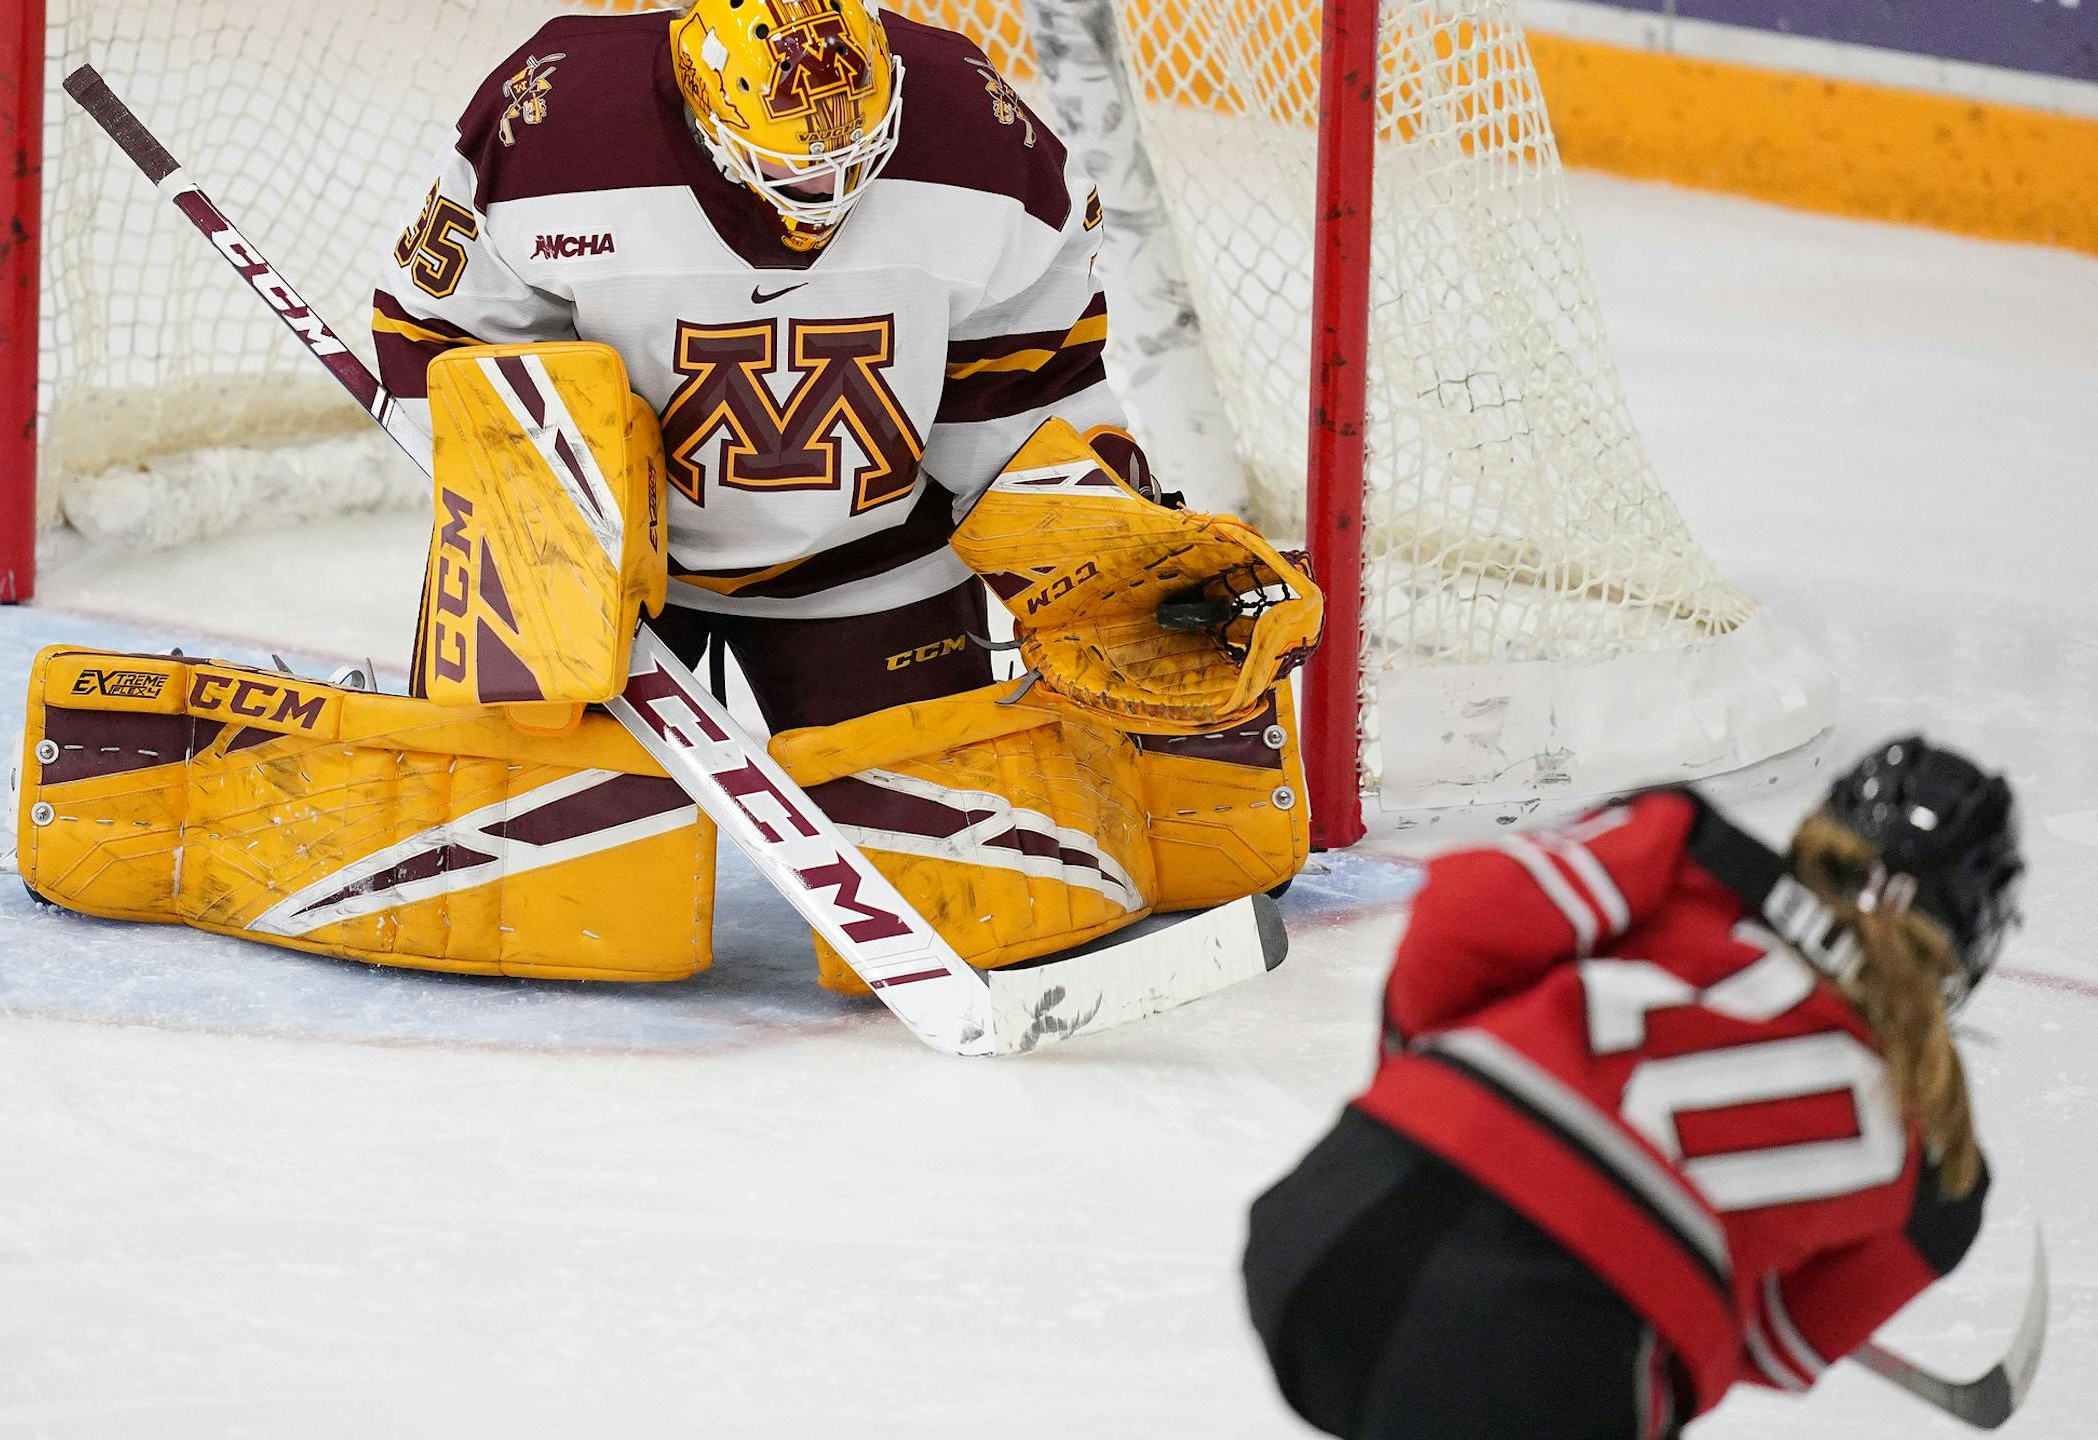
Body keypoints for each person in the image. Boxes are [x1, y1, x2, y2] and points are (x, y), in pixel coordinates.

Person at [373, 0, 1129, 732]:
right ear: (709, 109)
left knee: (946, 857)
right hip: (584, 567)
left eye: (854, 155)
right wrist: (552, 511)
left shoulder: (974, 124)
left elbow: (1028, 371)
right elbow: (440, 331)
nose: (827, 191)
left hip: (877, 570)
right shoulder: (552, 117)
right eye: (793, 166)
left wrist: (1100, 549)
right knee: (522, 842)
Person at [1242, 737, 2024, 1438]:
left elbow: (1456, 926)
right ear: (1974, 943)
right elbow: (1777, 1345)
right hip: (1552, 1360)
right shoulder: (1943, 1176)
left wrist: (1425, 1110)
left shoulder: (1689, 848)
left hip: (1332, 1226)